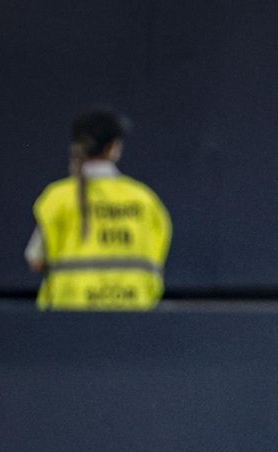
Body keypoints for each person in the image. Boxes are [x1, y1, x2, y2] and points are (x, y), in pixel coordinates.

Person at [26, 109, 172, 310]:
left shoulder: (58, 197)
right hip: (134, 313)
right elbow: (158, 256)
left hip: (69, 315)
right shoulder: (144, 199)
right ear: (114, 148)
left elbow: (36, 260)